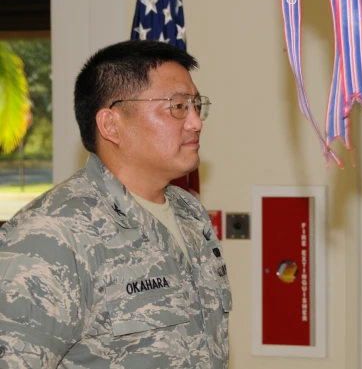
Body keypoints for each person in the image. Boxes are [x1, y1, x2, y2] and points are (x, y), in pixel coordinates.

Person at [0, 40, 231, 368]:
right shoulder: (51, 235)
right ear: (111, 124)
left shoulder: (189, 212)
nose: (196, 122)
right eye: (178, 106)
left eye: (196, 105)